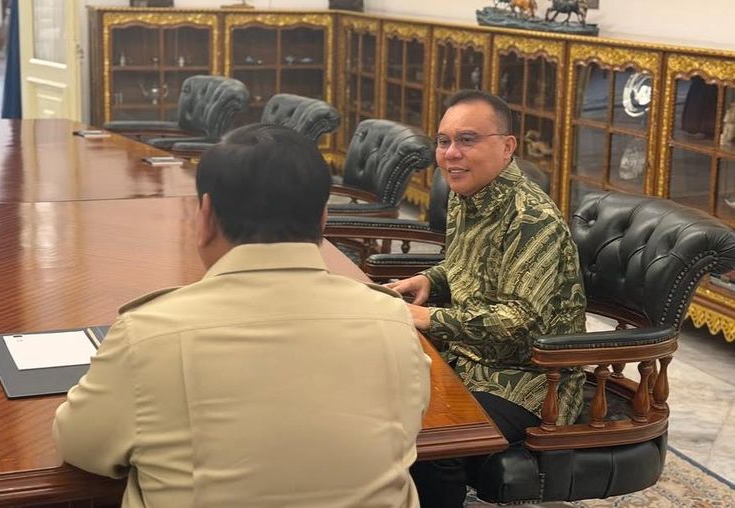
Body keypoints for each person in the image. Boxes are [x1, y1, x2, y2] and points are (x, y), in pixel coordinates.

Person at [53, 124, 432, 508]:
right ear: (322, 219)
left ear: (205, 216)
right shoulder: (392, 320)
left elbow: (81, 445)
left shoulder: (148, 334)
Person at [387, 90, 586, 507]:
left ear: (507, 146)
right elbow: (469, 269)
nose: (451, 154)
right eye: (443, 141)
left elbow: (516, 320)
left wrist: (427, 318)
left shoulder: (533, 219)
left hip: (529, 379)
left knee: (430, 441)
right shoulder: (468, 195)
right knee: (375, 392)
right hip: (466, 355)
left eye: (467, 140)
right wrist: (430, 278)